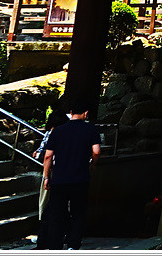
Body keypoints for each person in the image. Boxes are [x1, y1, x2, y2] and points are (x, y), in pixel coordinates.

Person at [41, 99, 101, 250]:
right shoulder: (91, 129)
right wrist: (92, 163)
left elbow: (48, 156)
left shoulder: (58, 131)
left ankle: (55, 245)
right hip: (80, 178)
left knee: (56, 213)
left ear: (71, 113)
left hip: (59, 178)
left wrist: (46, 176)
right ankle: (73, 244)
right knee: (78, 212)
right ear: (86, 113)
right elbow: (96, 151)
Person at [33, 105, 69, 250]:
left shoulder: (52, 133)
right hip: (68, 172)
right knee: (64, 205)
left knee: (46, 204)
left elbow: (45, 154)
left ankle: (45, 236)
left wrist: (46, 176)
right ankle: (65, 234)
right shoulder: (70, 133)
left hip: (52, 171)